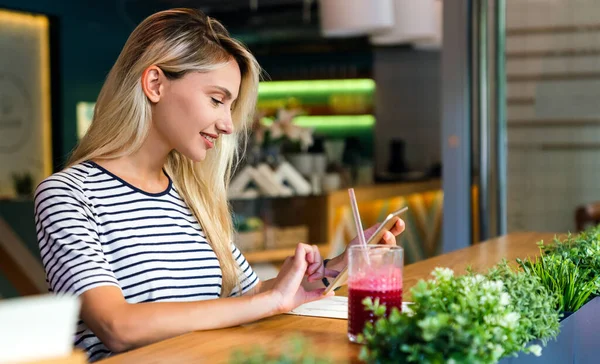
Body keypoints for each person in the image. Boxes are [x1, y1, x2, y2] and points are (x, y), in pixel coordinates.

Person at [33, 8, 405, 362]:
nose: (228, 124)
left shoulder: (190, 193)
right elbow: (117, 327)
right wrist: (270, 300)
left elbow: (246, 294)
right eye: (216, 100)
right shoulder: (69, 195)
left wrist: (337, 266)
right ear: (155, 84)